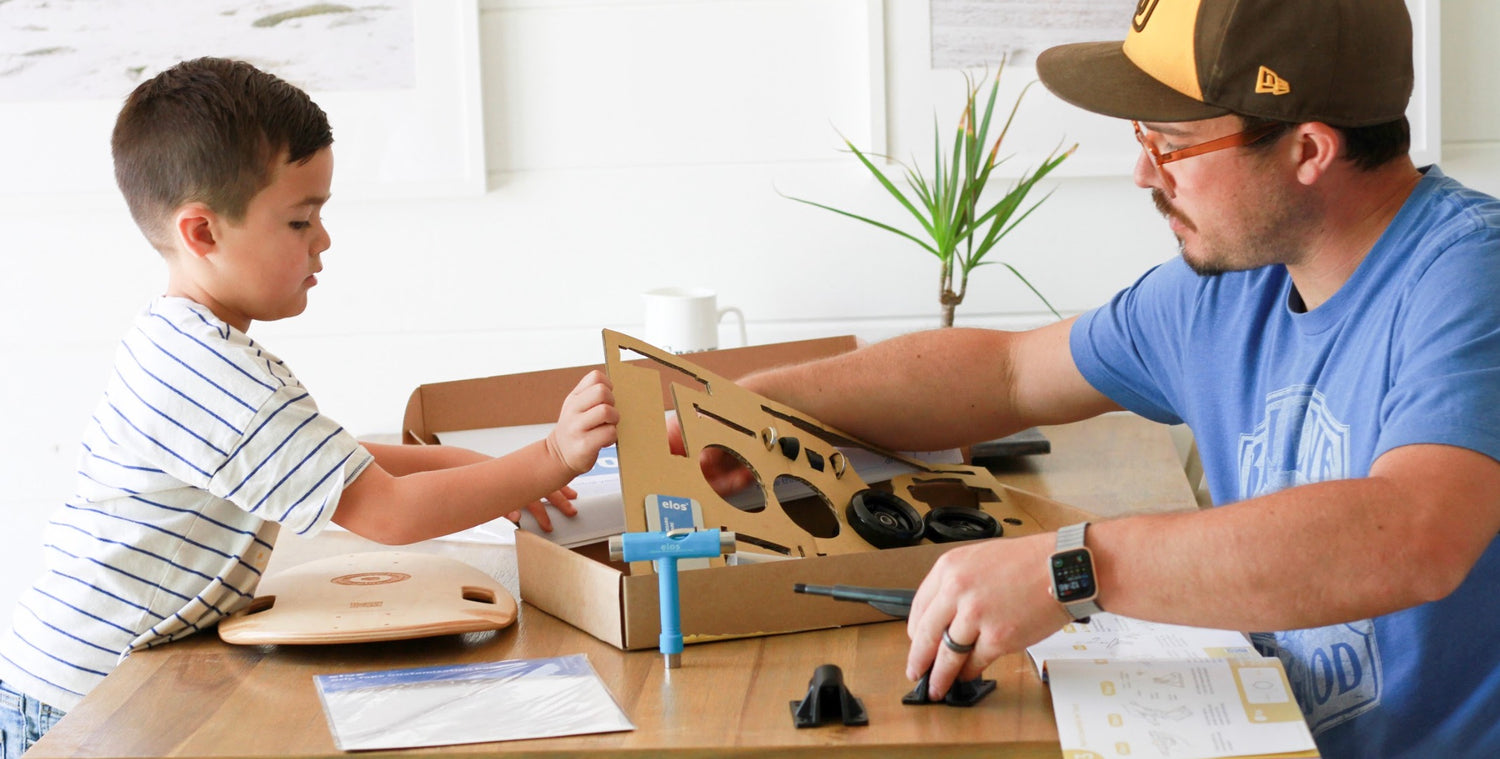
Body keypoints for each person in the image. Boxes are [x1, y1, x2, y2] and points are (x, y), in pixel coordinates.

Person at [704, 1, 1500, 757]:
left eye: (1172, 142)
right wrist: (749, 408)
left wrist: (1072, 568)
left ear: (1308, 150)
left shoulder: (1470, 276)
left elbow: (1417, 533)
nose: (1144, 174)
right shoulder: (1226, 288)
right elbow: (1008, 373)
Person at [0, 57, 619, 756]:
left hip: (92, 679)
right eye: (300, 220)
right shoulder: (212, 371)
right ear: (202, 232)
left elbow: (338, 457)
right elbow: (387, 512)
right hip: (84, 700)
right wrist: (549, 455)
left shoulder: (191, 343)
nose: (322, 240)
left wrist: (477, 466)